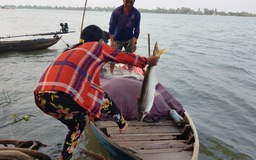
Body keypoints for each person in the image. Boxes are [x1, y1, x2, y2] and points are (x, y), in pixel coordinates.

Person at [34, 24, 159, 160]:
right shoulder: (98, 47)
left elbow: (93, 85)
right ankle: (122, 124)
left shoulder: (70, 51)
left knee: (77, 125)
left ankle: (64, 158)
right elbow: (121, 56)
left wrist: (90, 109)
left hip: (42, 98)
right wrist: (146, 61)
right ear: (100, 41)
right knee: (105, 100)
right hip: (63, 95)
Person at [109, 0, 141, 74]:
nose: (129, 4)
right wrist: (111, 42)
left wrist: (135, 42)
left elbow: (137, 29)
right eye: (127, 2)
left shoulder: (136, 14)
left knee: (130, 58)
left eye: (131, 2)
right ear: (123, 1)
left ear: (134, 1)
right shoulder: (116, 12)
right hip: (117, 39)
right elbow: (111, 27)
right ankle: (111, 73)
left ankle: (130, 72)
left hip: (129, 39)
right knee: (113, 58)